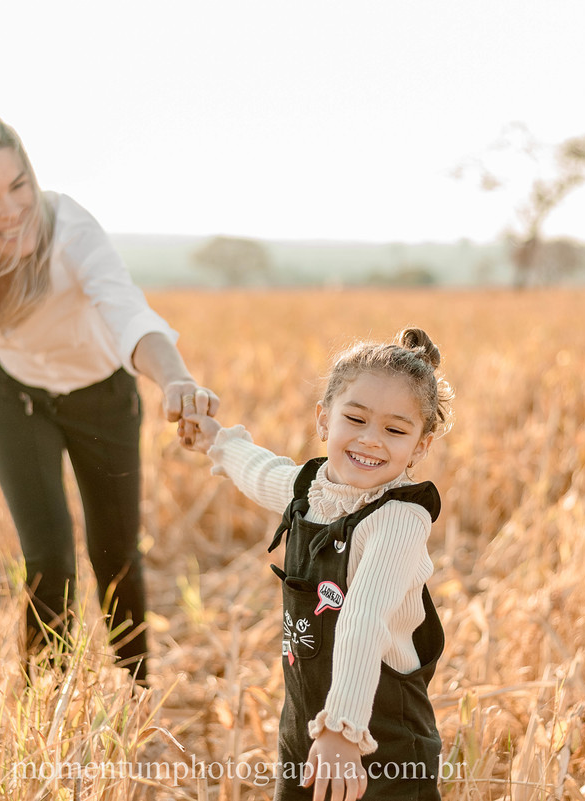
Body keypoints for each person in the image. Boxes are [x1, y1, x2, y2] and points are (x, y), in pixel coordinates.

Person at [0, 112, 218, 686]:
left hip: (102, 398)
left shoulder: (71, 230)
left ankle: (135, 691)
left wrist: (176, 378)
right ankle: (48, 706)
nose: (11, 209)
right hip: (14, 397)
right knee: (49, 557)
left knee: (116, 555)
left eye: (18, 186)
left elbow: (128, 313)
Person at [184, 328, 454, 801]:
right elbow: (261, 470)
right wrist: (217, 441)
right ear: (324, 419)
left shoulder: (398, 520)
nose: (371, 441)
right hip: (305, 720)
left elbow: (363, 621)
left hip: (383, 731)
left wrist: (343, 729)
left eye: (395, 430)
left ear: (421, 446)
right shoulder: (312, 492)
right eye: (356, 419)